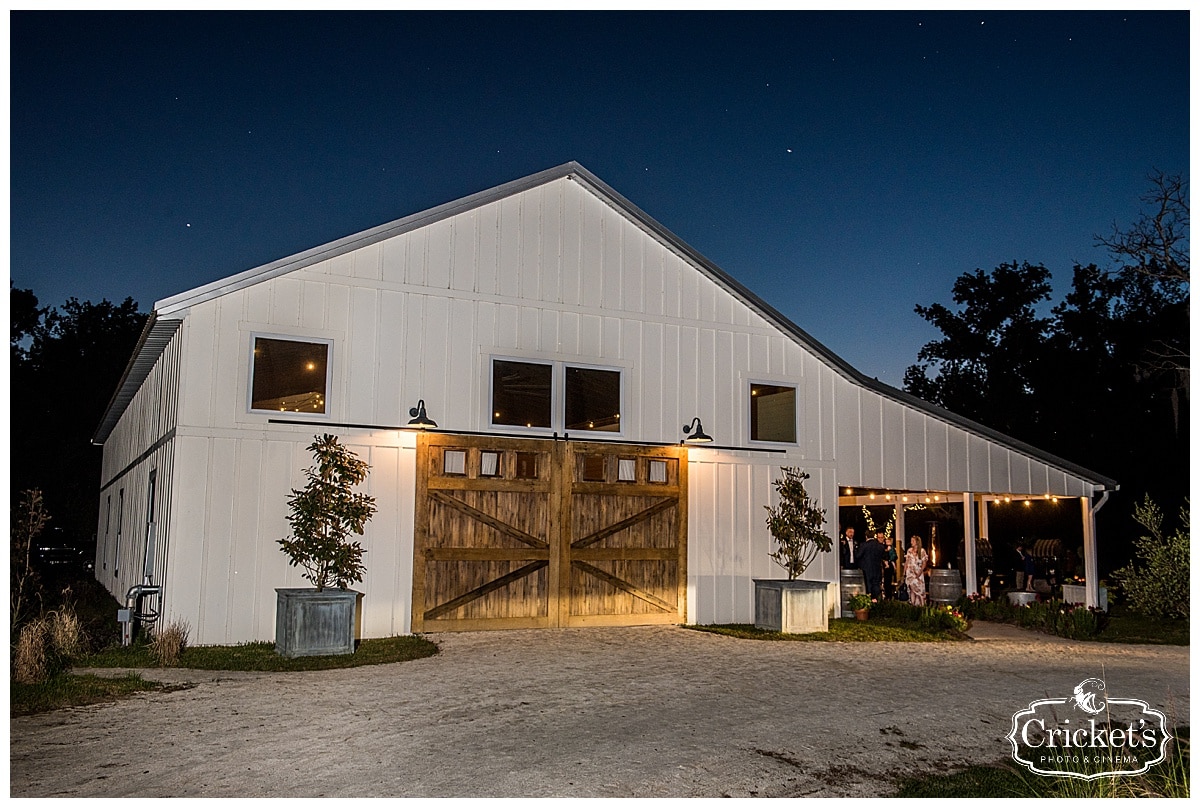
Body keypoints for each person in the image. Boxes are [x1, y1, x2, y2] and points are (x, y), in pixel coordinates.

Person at [859, 531, 885, 600]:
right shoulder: (880, 546)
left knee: (868, 587)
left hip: (867, 570)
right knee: (876, 586)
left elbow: (858, 555)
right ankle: (876, 600)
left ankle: (869, 601)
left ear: (866, 536)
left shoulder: (864, 545)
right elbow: (884, 556)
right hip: (877, 569)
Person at [904, 536, 930, 606]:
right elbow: (907, 562)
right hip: (910, 572)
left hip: (918, 572)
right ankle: (913, 605)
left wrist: (920, 572)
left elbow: (924, 563)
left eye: (913, 541)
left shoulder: (922, 551)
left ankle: (922, 606)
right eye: (911, 541)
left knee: (919, 590)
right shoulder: (909, 550)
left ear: (917, 542)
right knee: (912, 589)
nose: (911, 542)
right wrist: (904, 572)